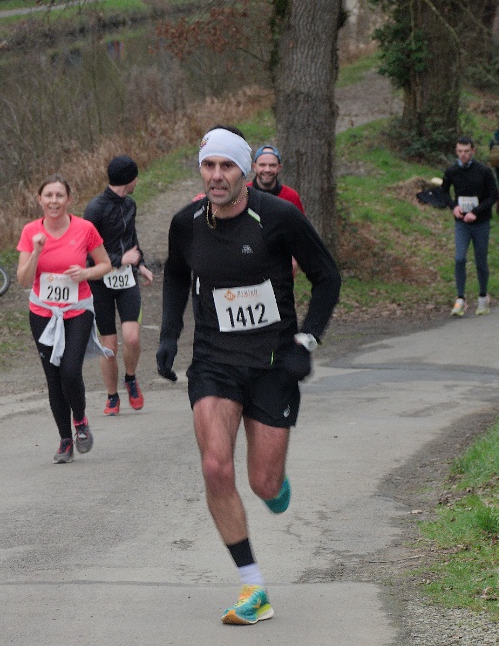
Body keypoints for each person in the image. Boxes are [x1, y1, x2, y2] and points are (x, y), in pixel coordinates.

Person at [156, 126, 341, 624]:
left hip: (273, 363)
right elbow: (176, 274)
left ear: (244, 172)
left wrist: (307, 339)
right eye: (208, 165)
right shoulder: (186, 223)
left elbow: (327, 277)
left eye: (227, 166)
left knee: (263, 484)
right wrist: (169, 336)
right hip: (214, 361)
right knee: (216, 467)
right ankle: (253, 585)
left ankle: (274, 486)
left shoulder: (279, 217)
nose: (217, 176)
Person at [17, 175, 112, 463]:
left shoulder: (85, 229)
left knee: (70, 370)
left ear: (69, 200)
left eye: (59, 195)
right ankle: (65, 439)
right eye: (48, 195)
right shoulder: (30, 231)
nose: (54, 201)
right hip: (42, 313)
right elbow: (23, 280)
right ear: (40, 199)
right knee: (54, 377)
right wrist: (36, 251)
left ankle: (80, 420)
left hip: (77, 309)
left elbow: (105, 264)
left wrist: (86, 273)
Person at [83, 156, 154, 416]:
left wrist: (140, 264)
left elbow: (131, 239)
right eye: (136, 177)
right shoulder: (95, 208)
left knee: (132, 337)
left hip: (126, 280)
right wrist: (118, 260)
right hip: (100, 283)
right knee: (109, 346)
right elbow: (86, 251)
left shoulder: (130, 204)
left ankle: (131, 379)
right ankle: (112, 396)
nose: (137, 181)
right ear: (129, 179)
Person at [441, 136, 499, 318]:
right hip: (462, 223)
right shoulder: (451, 171)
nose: (463, 155)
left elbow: (494, 195)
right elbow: (443, 192)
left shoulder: (484, 171)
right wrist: (453, 206)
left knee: (480, 260)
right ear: (456, 151)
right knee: (459, 258)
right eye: (460, 151)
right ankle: (460, 299)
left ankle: (483, 296)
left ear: (473, 151)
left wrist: (476, 211)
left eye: (466, 151)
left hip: (480, 223)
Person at [249, 145, 305, 214]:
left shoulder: (291, 197)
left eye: (272, 165)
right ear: (254, 167)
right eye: (262, 165)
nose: (267, 170)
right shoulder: (243, 194)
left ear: (279, 168)